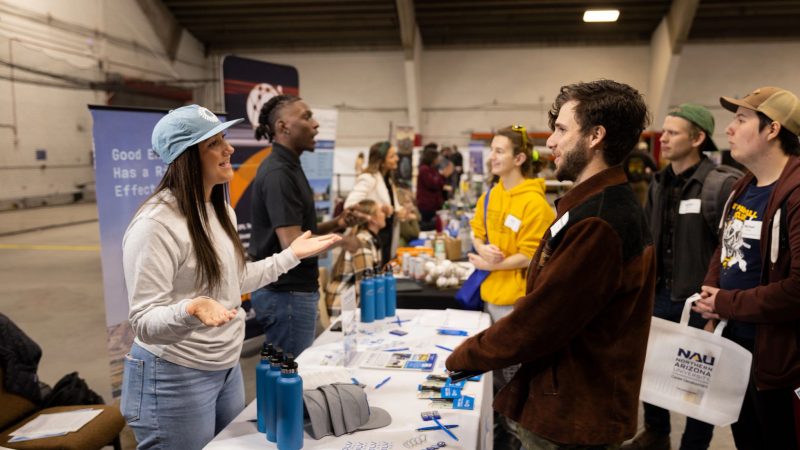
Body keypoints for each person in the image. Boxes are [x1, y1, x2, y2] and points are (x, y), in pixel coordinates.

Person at [446, 79, 655, 449]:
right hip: (569, 399)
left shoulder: (599, 220)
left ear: (595, 137)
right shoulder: (594, 205)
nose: (551, 143)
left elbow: (543, 319)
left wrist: (466, 355)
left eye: (561, 129)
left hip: (573, 414)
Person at [121, 105, 339, 450]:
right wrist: (190, 308)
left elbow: (235, 280)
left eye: (224, 139)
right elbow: (144, 321)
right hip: (173, 374)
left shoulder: (220, 210)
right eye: (214, 143)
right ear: (186, 157)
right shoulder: (155, 225)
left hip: (225, 366)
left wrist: (291, 255)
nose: (229, 149)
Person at [624, 104, 740, 450]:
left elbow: (730, 246)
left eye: (673, 132)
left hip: (698, 301)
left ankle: (694, 444)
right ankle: (657, 433)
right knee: (653, 370)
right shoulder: (659, 182)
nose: (664, 138)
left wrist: (718, 298)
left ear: (698, 138)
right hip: (659, 295)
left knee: (697, 381)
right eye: (664, 131)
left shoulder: (720, 185)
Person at [692, 86, 800, 449]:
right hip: (734, 350)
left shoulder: (796, 192)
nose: (729, 129)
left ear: (773, 129)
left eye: (741, 119)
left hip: (778, 362)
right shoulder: (743, 186)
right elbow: (723, 247)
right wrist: (711, 298)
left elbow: (797, 289)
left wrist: (724, 303)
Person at [249, 95, 357, 357]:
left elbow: (300, 230)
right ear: (283, 127)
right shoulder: (279, 173)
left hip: (291, 293)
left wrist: (336, 224)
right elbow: (292, 243)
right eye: (307, 117)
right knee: (291, 375)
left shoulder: (290, 167)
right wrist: (344, 241)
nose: (316, 124)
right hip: (286, 295)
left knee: (288, 374)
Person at [468, 125, 555, 450]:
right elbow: (477, 229)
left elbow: (532, 254)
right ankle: (505, 435)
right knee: (498, 376)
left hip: (517, 304)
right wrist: (481, 247)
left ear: (519, 158)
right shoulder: (491, 195)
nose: (492, 156)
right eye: (492, 149)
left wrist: (490, 263)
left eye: (500, 151)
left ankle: (520, 438)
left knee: (516, 379)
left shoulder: (535, 204)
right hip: (490, 301)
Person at [345, 141, 407, 264]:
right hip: (374, 235)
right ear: (381, 161)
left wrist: (399, 210)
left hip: (387, 233)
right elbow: (350, 205)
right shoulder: (368, 179)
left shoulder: (387, 179)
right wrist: (378, 208)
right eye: (392, 156)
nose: (397, 158)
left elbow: (391, 205)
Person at [324, 199, 385, 316]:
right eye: (381, 211)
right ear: (372, 218)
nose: (384, 214)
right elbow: (364, 287)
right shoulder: (363, 242)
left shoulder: (370, 240)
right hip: (342, 307)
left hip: (348, 302)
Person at [416, 145, 452, 229]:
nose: (438, 160)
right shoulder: (424, 169)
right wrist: (443, 175)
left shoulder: (432, 169)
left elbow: (439, 183)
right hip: (426, 205)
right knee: (428, 225)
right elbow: (433, 184)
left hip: (433, 204)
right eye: (437, 158)